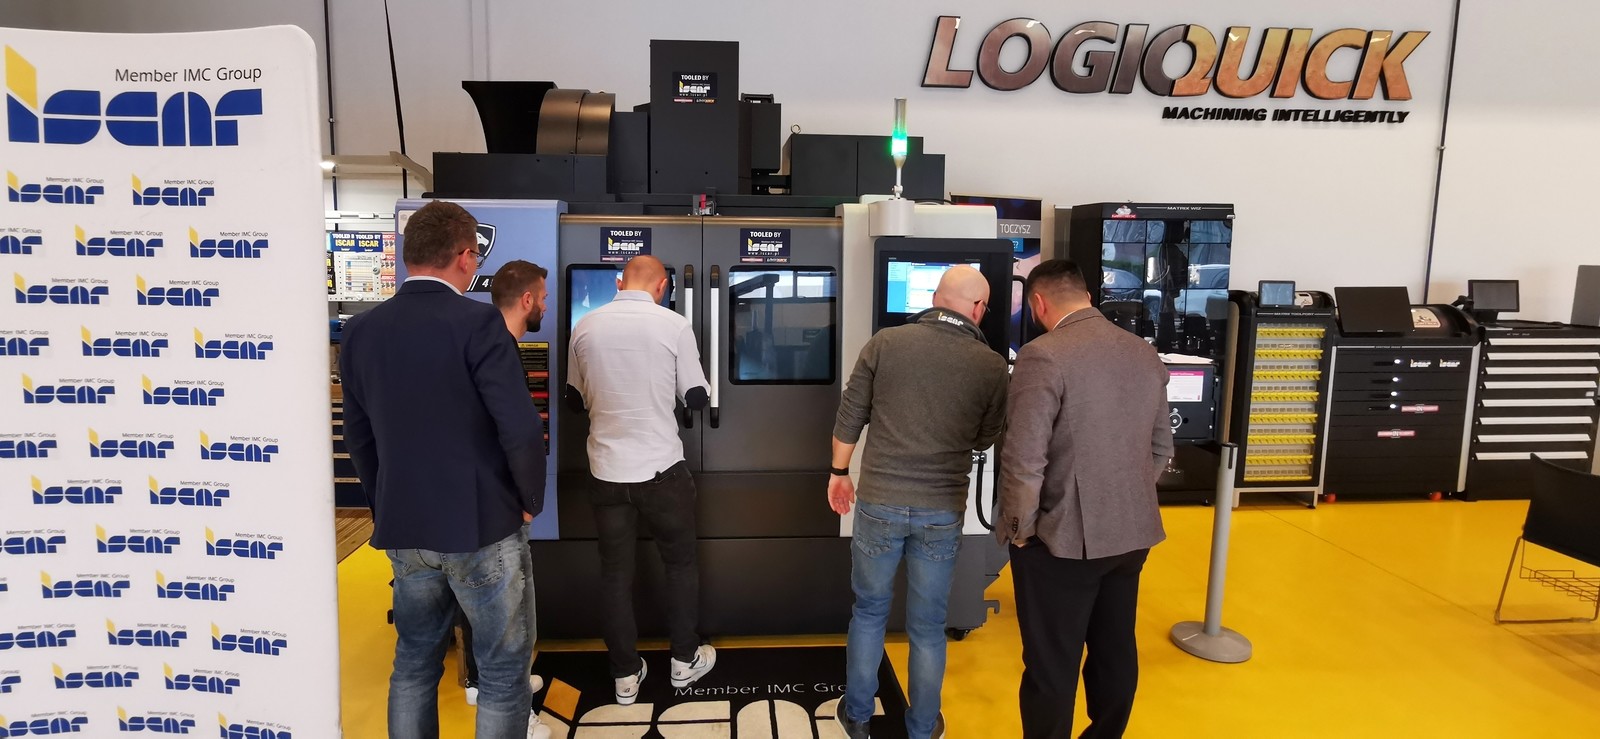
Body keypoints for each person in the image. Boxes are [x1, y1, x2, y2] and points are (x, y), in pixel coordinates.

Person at [340, 200, 545, 739]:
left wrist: (387, 504)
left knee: (413, 664)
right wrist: (529, 500)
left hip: (407, 528)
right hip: (483, 525)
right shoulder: (478, 322)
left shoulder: (361, 331)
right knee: (502, 673)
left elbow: (359, 437)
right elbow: (520, 427)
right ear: (465, 256)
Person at [828, 266, 1008, 739]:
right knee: (928, 627)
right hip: (941, 510)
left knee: (869, 612)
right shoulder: (991, 365)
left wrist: (839, 474)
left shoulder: (885, 343)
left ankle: (858, 717)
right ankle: (923, 728)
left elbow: (850, 415)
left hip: (879, 502)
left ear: (935, 298)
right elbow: (987, 437)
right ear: (977, 309)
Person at [996, 259, 1174, 739]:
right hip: (1132, 534)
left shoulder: (1043, 355)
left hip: (1061, 541)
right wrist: (1124, 495)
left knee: (1052, 665)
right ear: (1088, 296)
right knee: (1115, 649)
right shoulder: (1143, 352)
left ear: (1038, 303)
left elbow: (1024, 459)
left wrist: (1020, 531)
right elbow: (1161, 447)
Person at [566, 254, 716, 704]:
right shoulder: (674, 325)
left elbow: (573, 399)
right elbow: (696, 396)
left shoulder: (585, 327)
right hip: (661, 470)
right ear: (663, 286)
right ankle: (684, 661)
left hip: (606, 472)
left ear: (619, 282)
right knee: (680, 565)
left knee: (615, 573)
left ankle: (625, 676)